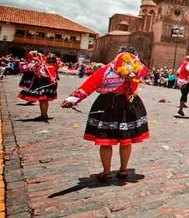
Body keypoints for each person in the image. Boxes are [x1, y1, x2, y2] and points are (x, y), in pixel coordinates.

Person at [60, 47, 149, 180]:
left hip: (109, 103)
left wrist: (72, 99)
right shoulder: (137, 71)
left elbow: (89, 85)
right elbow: (140, 77)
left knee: (106, 140)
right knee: (126, 140)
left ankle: (106, 171)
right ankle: (123, 169)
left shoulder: (106, 70)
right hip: (129, 104)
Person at [17, 51, 60, 121]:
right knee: (43, 100)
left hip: (45, 84)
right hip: (45, 84)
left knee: (43, 100)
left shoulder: (49, 66)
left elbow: (46, 75)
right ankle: (44, 114)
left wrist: (38, 72)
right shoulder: (48, 65)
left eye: (47, 57)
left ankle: (44, 115)